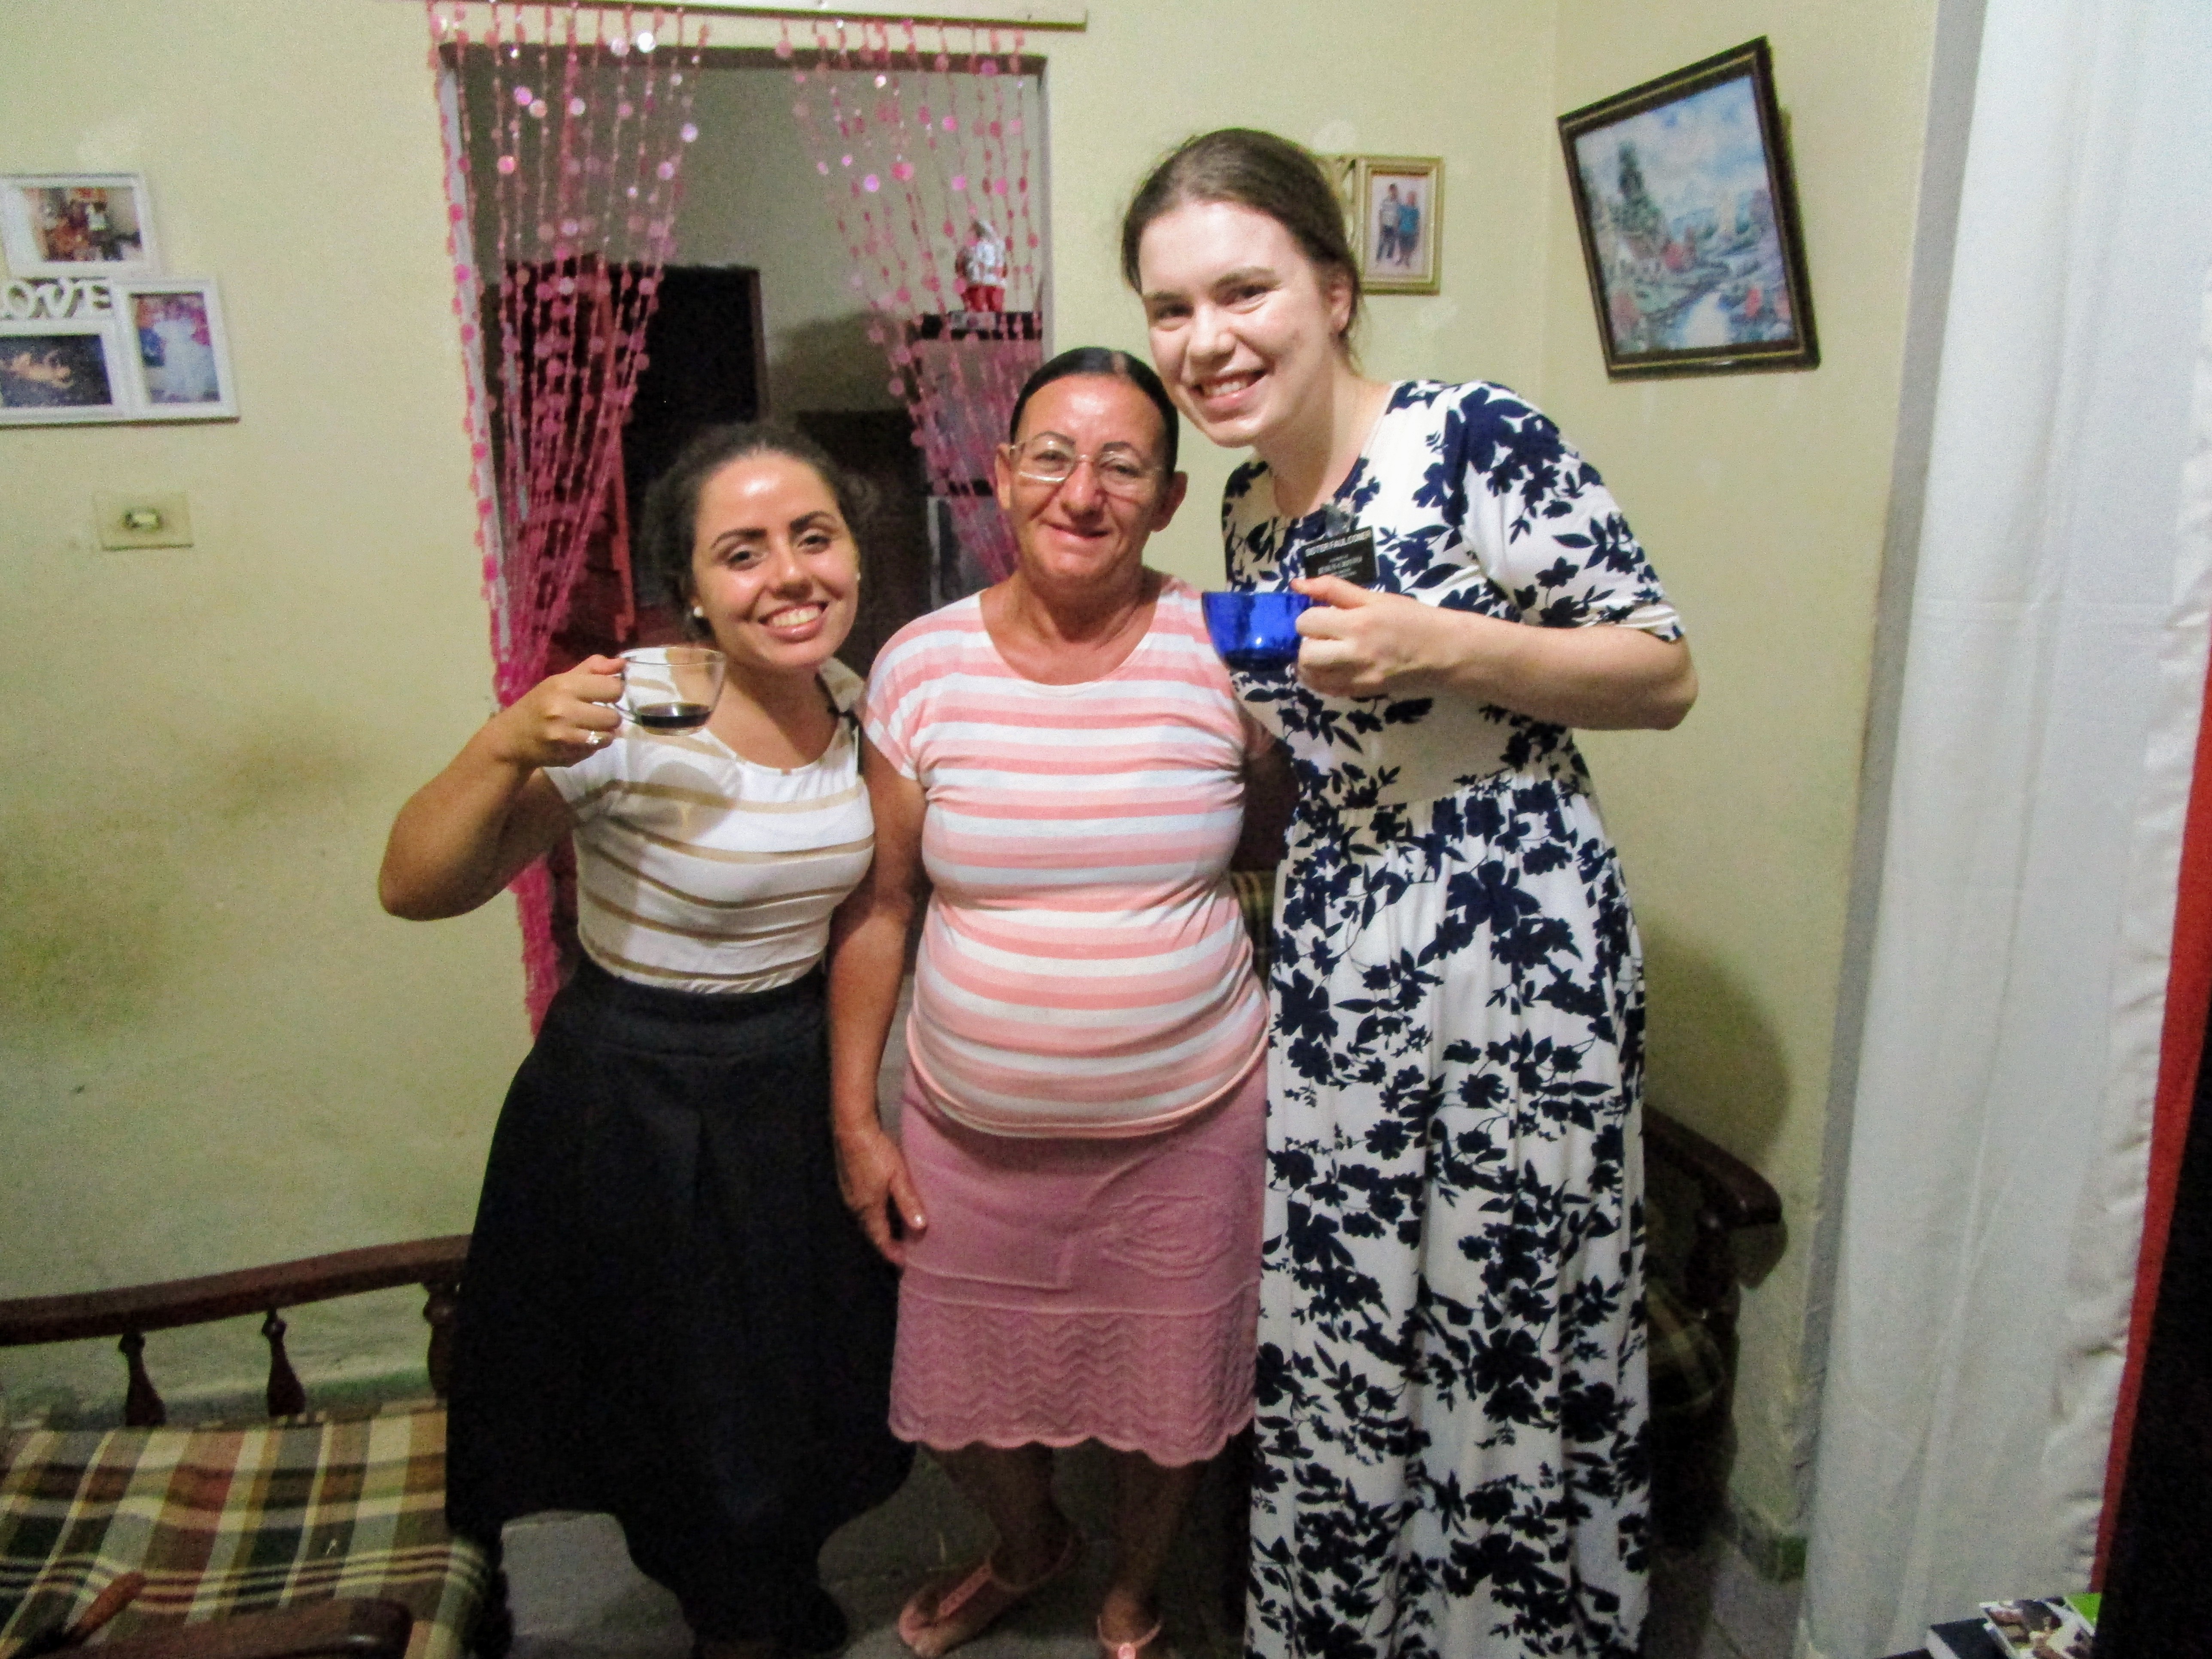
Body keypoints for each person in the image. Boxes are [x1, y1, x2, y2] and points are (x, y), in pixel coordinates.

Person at [1123, 129, 1697, 1659]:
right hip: (1340, 938)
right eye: (1170, 309)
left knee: (1496, 1300)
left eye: (1242, 290)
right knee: (1350, 1295)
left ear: (1330, 285)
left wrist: (1437, 642)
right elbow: (1311, 747)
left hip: (1510, 929)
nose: (1206, 339)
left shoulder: (1473, 438)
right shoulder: (1245, 509)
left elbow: (1659, 671)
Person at [378, 423, 912, 1659]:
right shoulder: (635, 708)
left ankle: (763, 1580)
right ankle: (725, 1603)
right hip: (626, 1089)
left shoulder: (863, 711)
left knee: (791, 1372)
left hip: (781, 1074)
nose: (788, 575)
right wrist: (509, 736)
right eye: (744, 553)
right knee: (663, 1387)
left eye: (812, 538)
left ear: (855, 555)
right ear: (694, 592)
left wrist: (855, 1113)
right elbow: (417, 886)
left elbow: (875, 914)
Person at [828, 347, 1276, 1659]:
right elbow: (881, 906)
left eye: (1121, 466)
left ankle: (1137, 1582)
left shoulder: (1224, 647)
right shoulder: (919, 666)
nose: (1082, 492)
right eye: (1051, 458)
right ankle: (1030, 1543)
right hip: (970, 1126)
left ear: (1169, 494)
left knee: (1168, 1382)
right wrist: (856, 1115)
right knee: (958, 1396)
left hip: (1189, 1120)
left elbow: (1276, 833)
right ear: (1004, 477)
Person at [957, 217, 1007, 312]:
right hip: (992, 285)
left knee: (979, 313)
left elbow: (959, 268)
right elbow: (1004, 270)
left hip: (976, 285)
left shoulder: (967, 249)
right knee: (995, 314)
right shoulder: (997, 247)